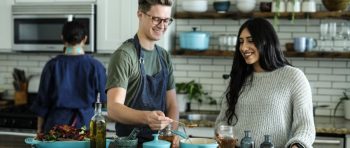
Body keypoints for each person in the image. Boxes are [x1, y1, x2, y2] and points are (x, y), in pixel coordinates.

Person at [215, 18, 315, 148]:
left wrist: (296, 145)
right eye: (241, 42)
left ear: (267, 42)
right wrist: (223, 136)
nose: (243, 47)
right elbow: (222, 121)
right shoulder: (237, 78)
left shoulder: (293, 77)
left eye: (250, 40)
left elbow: (305, 127)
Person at [105, 0, 178, 146]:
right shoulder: (124, 55)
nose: (162, 25)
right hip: (130, 144)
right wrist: (147, 118)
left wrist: (172, 133)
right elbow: (113, 108)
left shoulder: (164, 57)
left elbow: (172, 105)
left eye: (166, 20)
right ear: (140, 14)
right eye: (156, 19)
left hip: (160, 144)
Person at [30, 20, 107, 134]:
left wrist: (39, 130)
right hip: (85, 126)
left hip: (56, 128)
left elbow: (42, 103)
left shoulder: (52, 65)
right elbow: (104, 99)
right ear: (85, 39)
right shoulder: (96, 66)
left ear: (62, 38)